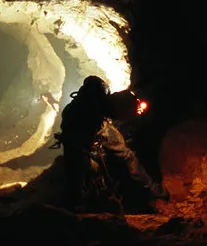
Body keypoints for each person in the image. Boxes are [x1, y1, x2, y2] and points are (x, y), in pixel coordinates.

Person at [55, 75, 169, 213]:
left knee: (84, 172)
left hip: (80, 137)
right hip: (80, 143)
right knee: (85, 174)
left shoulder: (89, 109)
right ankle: (78, 209)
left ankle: (77, 205)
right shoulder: (94, 121)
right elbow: (127, 160)